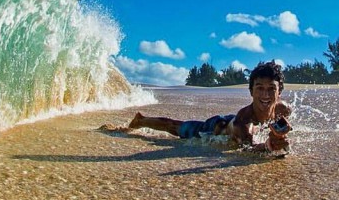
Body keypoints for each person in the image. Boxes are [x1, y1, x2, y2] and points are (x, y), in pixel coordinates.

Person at [124, 61, 292, 153]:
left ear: (280, 92)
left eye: (271, 89)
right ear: (251, 91)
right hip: (216, 127)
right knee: (176, 127)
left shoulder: (283, 109)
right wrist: (269, 145)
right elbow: (247, 148)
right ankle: (141, 120)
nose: (265, 95)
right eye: (259, 88)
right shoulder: (243, 122)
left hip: (234, 121)